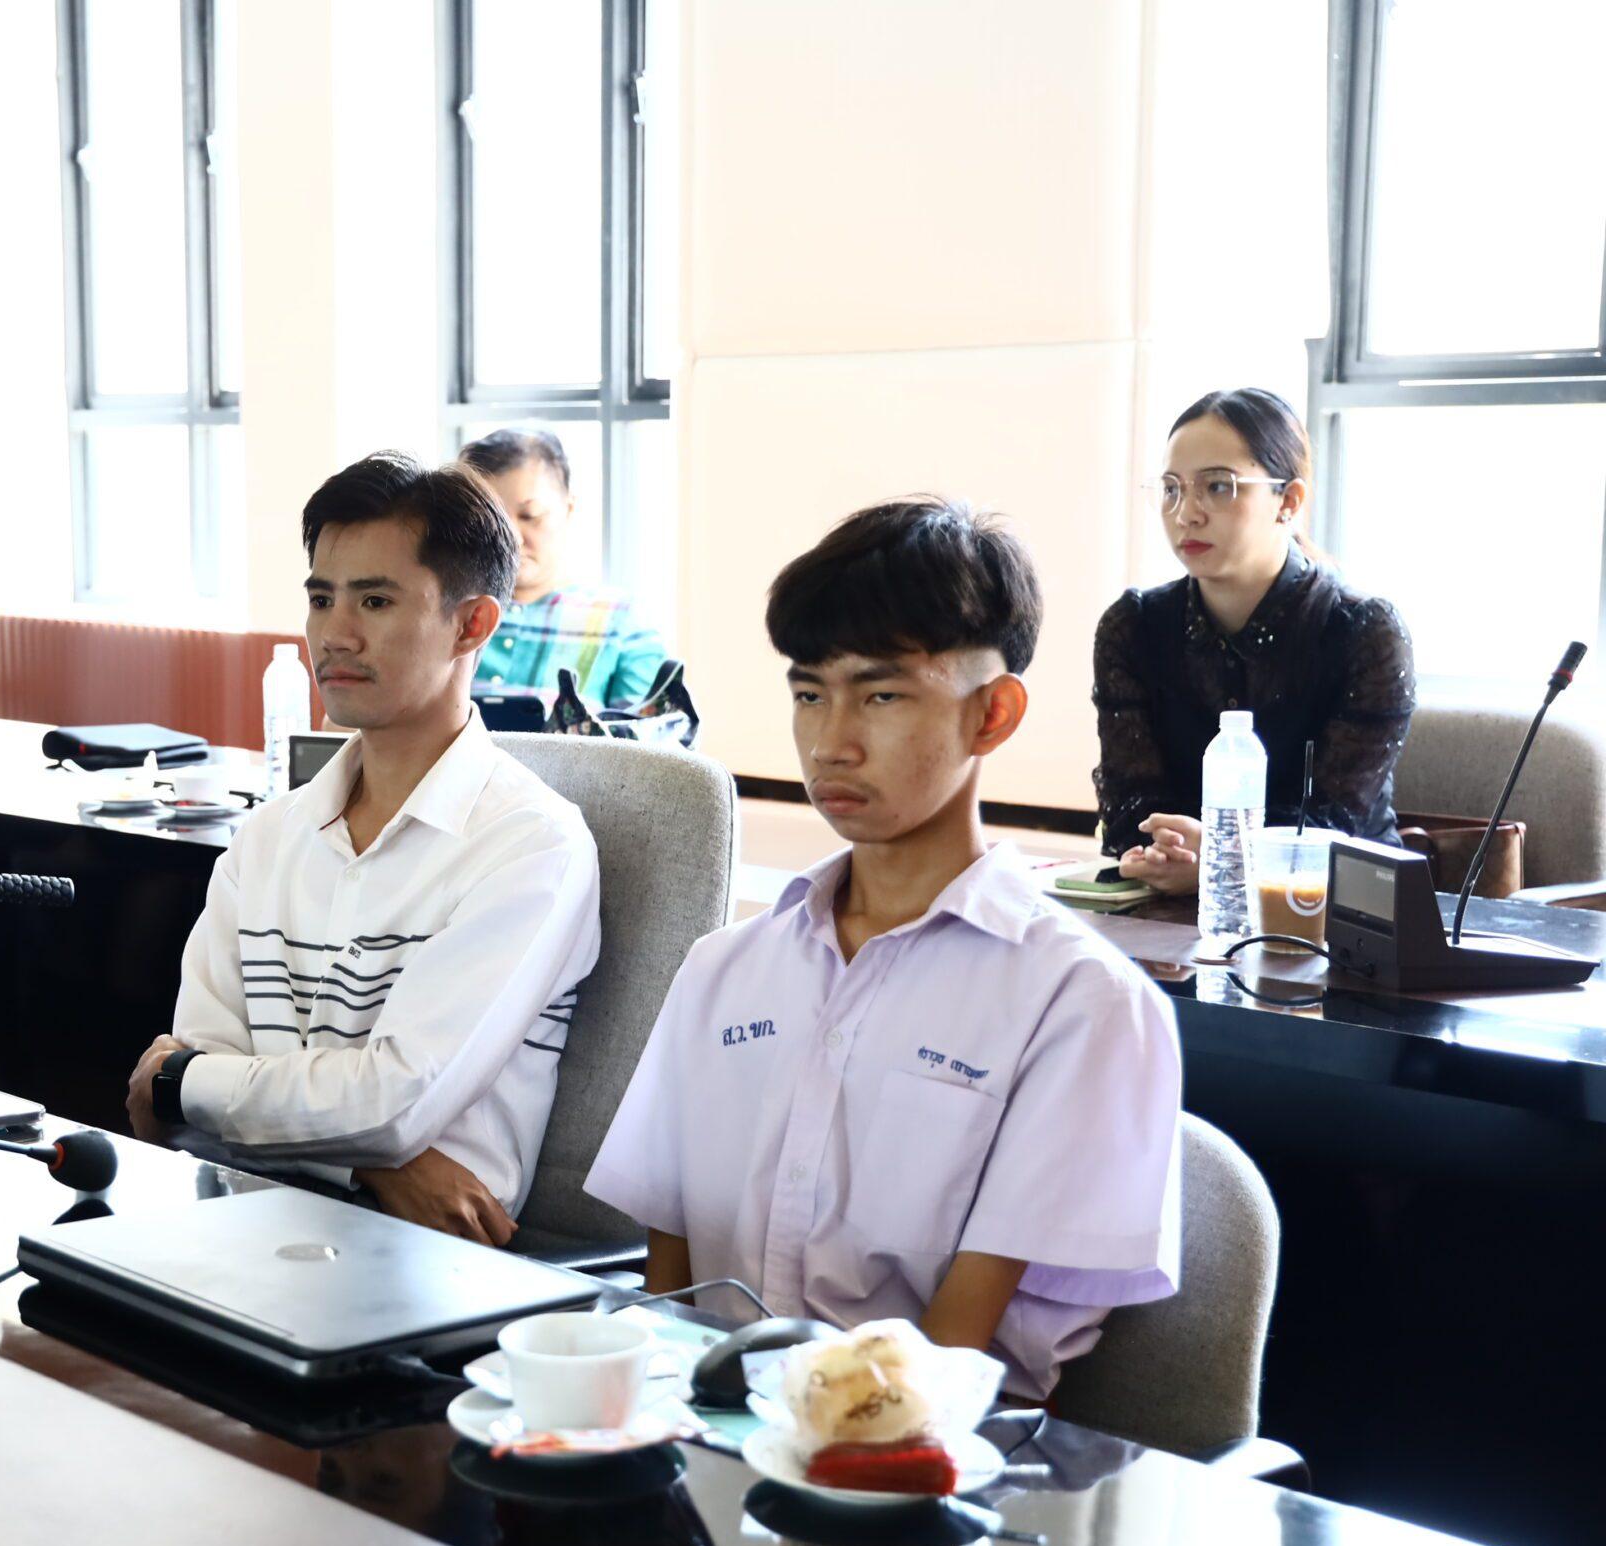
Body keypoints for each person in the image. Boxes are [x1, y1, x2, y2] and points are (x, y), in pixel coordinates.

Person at [584, 498, 1180, 1401]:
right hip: (705, 1433)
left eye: (882, 695)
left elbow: (940, 1368)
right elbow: (670, 1297)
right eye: (809, 694)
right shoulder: (724, 969)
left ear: (992, 715)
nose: (832, 743)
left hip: (924, 1452)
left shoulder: (1083, 1003)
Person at [124, 452, 603, 1244]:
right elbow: (184, 1113)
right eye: (321, 599)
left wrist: (197, 1087)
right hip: (241, 1227)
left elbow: (386, 1101)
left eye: (375, 601)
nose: (334, 635)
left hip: (426, 1264)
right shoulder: (267, 837)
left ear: (473, 624)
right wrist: (374, 1162)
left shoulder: (530, 845)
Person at [1094, 388, 1415, 892]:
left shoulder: (1364, 631)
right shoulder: (1131, 627)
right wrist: (1165, 850)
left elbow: (1332, 824)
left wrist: (1222, 859)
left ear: (1288, 501)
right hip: (1168, 906)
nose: (1186, 513)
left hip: (1336, 911)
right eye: (1172, 489)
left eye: (1218, 487)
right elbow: (1129, 808)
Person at [459, 428, 667, 706]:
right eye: (490, 520)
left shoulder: (620, 620)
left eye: (530, 516)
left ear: (568, 510)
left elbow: (645, 732)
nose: (511, 538)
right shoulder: (447, 614)